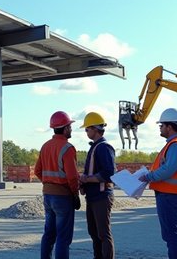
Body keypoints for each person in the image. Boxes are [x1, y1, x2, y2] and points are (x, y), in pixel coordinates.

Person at [138, 108, 177, 259]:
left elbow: (168, 169)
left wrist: (149, 176)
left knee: (172, 237)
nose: (160, 128)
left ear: (169, 127)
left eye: (161, 125)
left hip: (171, 196)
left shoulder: (175, 145)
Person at [35, 110, 80, 259]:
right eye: (70, 126)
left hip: (48, 196)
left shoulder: (45, 146)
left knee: (49, 234)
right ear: (65, 128)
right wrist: (75, 194)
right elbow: (72, 177)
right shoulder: (67, 148)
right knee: (63, 237)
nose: (71, 129)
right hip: (63, 197)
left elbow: (37, 171)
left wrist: (49, 184)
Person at [79, 112, 116, 259]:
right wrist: (84, 182)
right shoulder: (95, 147)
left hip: (101, 197)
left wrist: (87, 179)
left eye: (87, 129)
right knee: (94, 233)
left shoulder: (104, 147)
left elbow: (109, 173)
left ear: (94, 129)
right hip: (94, 196)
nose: (86, 132)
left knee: (103, 234)